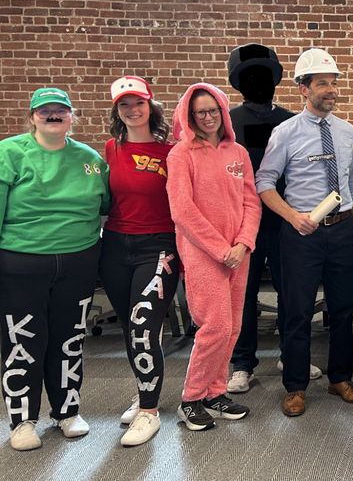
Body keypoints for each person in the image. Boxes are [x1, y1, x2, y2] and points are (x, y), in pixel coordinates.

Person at [255, 47, 353, 417]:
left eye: (333, 83)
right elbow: (264, 183)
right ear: (303, 88)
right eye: (322, 83)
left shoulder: (346, 131)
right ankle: (296, 386)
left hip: (342, 230)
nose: (331, 90)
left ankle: (341, 378)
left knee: (343, 307)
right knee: (298, 311)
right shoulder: (285, 133)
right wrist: (292, 216)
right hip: (301, 234)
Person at [0, 88, 109, 451]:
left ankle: (67, 411)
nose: (52, 115)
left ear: (71, 116)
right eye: (43, 110)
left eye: (60, 110)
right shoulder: (9, 153)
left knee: (69, 339)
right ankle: (22, 420)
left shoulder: (89, 158)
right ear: (31, 117)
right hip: (21, 263)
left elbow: (105, 203)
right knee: (22, 342)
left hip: (78, 262)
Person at [167, 83, 261, 431]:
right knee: (215, 327)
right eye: (199, 113)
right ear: (189, 117)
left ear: (223, 111)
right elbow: (182, 211)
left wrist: (244, 243)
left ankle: (215, 393)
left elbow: (251, 201)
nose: (207, 118)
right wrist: (222, 250)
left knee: (232, 327)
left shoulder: (238, 152)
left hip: (239, 253)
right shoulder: (181, 154)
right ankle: (191, 398)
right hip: (205, 255)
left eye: (213, 110)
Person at [224, 44, 315, 394]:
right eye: (250, 77)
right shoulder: (228, 123)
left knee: (291, 291)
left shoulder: (292, 122)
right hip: (242, 222)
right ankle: (242, 363)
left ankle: (291, 356)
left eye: (263, 76)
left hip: (285, 220)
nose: (258, 83)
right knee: (243, 294)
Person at [99, 76, 179, 446]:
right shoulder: (109, 150)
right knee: (130, 329)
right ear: (117, 111)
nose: (132, 110)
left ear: (151, 106)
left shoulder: (171, 152)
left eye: (138, 103)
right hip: (115, 247)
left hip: (158, 246)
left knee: (143, 326)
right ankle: (144, 391)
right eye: (124, 104)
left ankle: (149, 412)